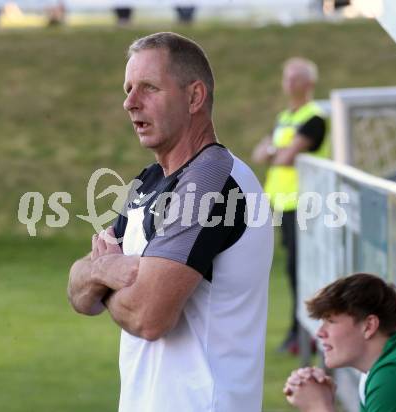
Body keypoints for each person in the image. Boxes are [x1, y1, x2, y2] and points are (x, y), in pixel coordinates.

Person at [68, 32, 274, 412]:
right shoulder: (149, 181)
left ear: (194, 97)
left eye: (148, 88)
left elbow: (150, 317)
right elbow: (78, 293)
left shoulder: (211, 181)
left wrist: (105, 272)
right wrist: (110, 271)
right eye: (128, 89)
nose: (129, 103)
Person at [252, 57, 330, 354]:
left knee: (305, 272)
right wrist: (276, 150)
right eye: (286, 77)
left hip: (306, 205)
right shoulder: (285, 117)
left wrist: (275, 150)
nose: (288, 83)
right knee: (293, 271)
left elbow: (282, 157)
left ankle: (308, 333)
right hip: (284, 204)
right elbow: (262, 153)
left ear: (309, 83)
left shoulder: (314, 118)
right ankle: (299, 331)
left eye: (295, 77)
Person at [283, 273, 396, 412]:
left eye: (331, 321)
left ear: (369, 326)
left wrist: (319, 406)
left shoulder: (392, 376)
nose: (320, 332)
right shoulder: (380, 369)